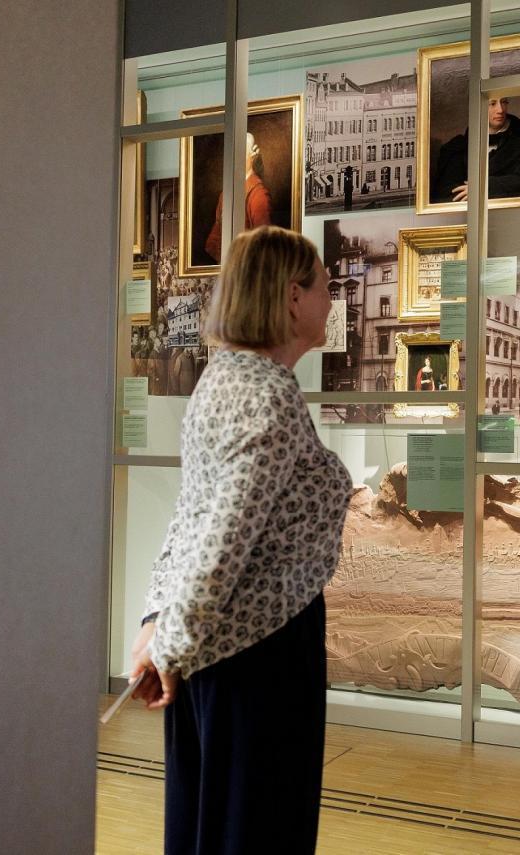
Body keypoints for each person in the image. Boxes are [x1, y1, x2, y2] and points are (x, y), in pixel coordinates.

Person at [130, 226, 353, 854]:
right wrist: (167, 644)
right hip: (260, 657)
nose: (331, 302)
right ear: (291, 298)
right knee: (256, 830)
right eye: (324, 288)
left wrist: (159, 623)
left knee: (211, 825)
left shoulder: (223, 379)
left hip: (215, 654)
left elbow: (192, 518)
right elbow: (220, 541)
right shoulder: (267, 397)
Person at [431, 97, 520, 203]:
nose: (500, 110)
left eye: (504, 102)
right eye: (492, 104)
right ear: (477, 106)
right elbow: (443, 191)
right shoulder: (455, 148)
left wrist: (487, 186)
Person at [204, 133, 273, 262]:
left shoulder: (258, 194)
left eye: (241, 154)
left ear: (252, 157)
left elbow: (264, 243)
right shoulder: (225, 195)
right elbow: (213, 241)